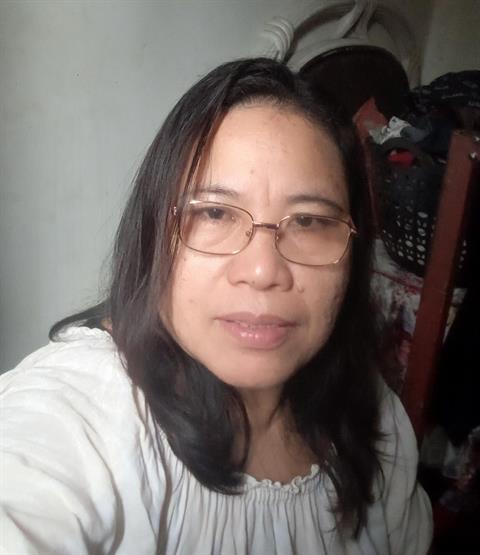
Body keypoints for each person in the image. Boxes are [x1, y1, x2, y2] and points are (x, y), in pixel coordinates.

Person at [0, 58, 432, 554]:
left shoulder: (375, 413)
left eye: (309, 221)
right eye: (214, 213)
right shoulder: (85, 415)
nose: (263, 270)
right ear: (154, 234)